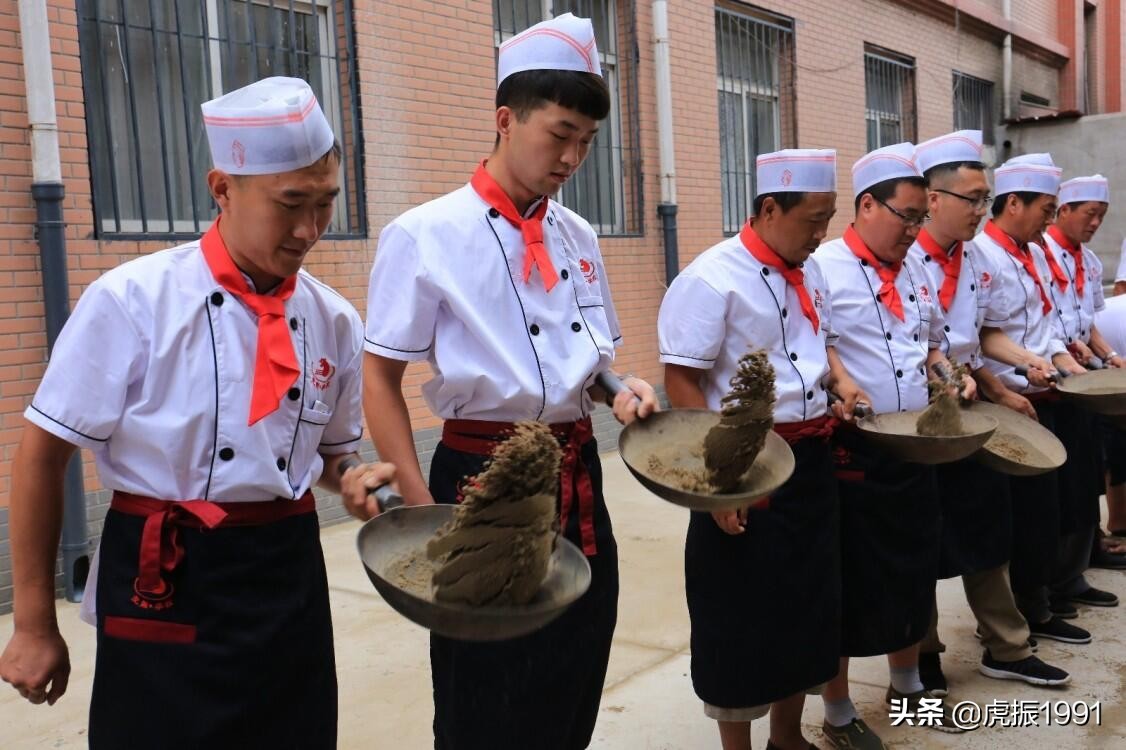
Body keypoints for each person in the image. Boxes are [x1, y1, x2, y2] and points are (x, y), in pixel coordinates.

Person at [0, 77, 395, 748]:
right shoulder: (131, 301)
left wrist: (351, 477)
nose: (309, 229)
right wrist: (35, 620)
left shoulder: (333, 319)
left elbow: (330, 456)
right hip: (166, 568)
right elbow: (43, 453)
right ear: (223, 189)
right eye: (290, 203)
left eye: (326, 203)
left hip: (285, 572)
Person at [362, 14, 659, 750]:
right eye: (559, 134)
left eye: (586, 142)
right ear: (506, 118)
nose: (572, 156)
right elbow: (379, 374)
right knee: (484, 690)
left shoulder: (578, 237)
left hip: (577, 474)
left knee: (575, 659)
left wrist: (620, 388)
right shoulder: (426, 234)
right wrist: (422, 508)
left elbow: (585, 366)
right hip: (479, 478)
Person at [658, 148, 866, 750]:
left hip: (811, 459)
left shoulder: (813, 267)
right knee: (740, 617)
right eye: (813, 220)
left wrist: (839, 381)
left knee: (806, 605)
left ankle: (788, 736)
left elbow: (814, 346)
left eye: (830, 218)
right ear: (769, 208)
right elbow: (683, 383)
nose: (822, 233)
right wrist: (720, 482)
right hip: (744, 467)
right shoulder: (711, 278)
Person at [814, 143, 976, 749]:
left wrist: (947, 376)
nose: (915, 230)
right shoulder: (824, 267)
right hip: (854, 449)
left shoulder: (915, 271)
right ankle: (837, 711)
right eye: (907, 216)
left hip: (916, 446)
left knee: (912, 568)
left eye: (920, 218)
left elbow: (931, 346)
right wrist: (842, 379)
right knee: (848, 578)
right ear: (866, 205)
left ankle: (907, 688)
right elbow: (816, 345)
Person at [909, 131, 1070, 693]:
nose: (983, 210)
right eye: (973, 199)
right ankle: (922, 656)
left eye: (986, 199)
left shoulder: (976, 259)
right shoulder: (903, 260)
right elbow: (920, 348)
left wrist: (1013, 376)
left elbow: (980, 336)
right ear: (933, 198)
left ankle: (1007, 645)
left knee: (987, 526)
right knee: (923, 538)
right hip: (918, 421)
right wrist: (958, 381)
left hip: (971, 407)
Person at [972, 153, 1091, 646]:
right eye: (1046, 207)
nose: (1051, 218)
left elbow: (1047, 327)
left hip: (1046, 393)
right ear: (1013, 202)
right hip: (1008, 404)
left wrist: (1064, 362)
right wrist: (1019, 370)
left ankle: (1042, 600)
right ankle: (1019, 614)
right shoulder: (985, 256)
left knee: (1051, 508)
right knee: (1017, 519)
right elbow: (978, 335)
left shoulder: (1035, 252)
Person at [1043, 175, 1126, 574]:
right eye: (1090, 214)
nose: (1095, 223)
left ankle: (1089, 549)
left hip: (1084, 380)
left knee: (1091, 469)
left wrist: (1110, 354)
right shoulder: (1041, 255)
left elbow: (1087, 324)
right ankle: (1064, 570)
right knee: (1067, 481)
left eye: (1102, 216)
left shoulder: (1089, 262)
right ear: (1064, 211)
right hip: (1051, 380)